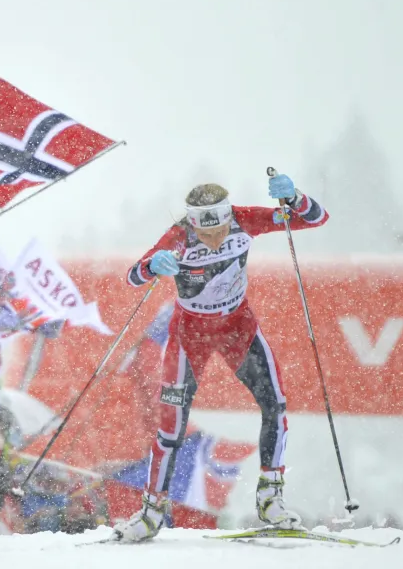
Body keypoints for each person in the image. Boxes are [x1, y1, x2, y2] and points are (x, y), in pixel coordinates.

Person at [112, 173, 328, 542]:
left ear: (229, 217)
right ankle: (151, 513)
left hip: (237, 328)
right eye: (206, 235)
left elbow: (315, 219)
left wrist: (295, 198)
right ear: (192, 223)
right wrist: (153, 266)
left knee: (274, 404)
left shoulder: (246, 219)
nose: (213, 242)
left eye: (220, 233)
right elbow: (133, 276)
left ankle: (270, 499)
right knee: (170, 428)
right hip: (189, 334)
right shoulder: (178, 236)